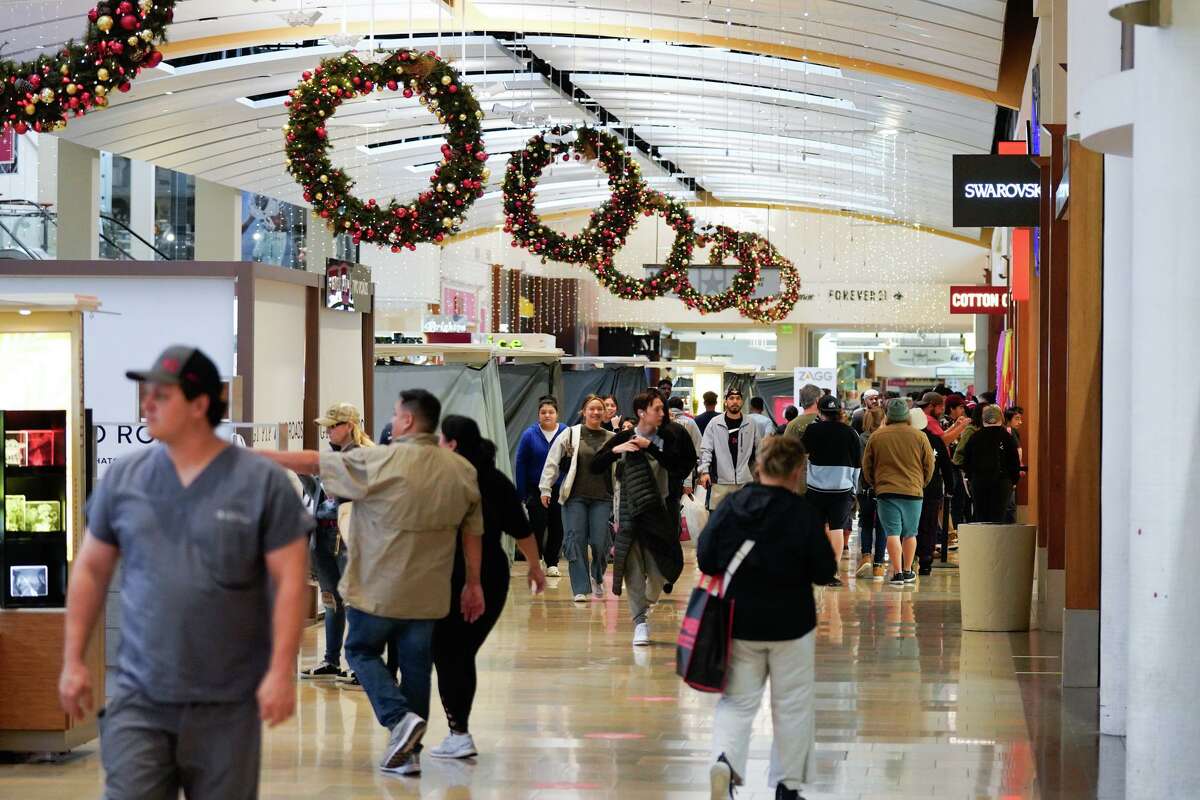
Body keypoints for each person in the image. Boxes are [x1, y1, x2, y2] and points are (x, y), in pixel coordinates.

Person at [59, 346, 313, 798]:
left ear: (199, 405)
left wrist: (280, 672)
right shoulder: (125, 478)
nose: (146, 405)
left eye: (161, 395)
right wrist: (73, 659)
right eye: (145, 394)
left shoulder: (260, 483)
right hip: (140, 698)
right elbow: (91, 570)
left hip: (227, 705)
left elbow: (290, 580)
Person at [260, 388, 485, 776]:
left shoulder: (382, 459)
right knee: (416, 668)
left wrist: (256, 454)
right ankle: (408, 755)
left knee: (360, 651)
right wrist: (474, 584)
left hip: (378, 586)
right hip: (429, 592)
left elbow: (316, 463)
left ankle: (399, 721)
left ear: (409, 421)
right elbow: (473, 532)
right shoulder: (461, 470)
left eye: (397, 415)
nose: (392, 422)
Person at [699, 435, 837, 800]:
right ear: (797, 472)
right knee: (792, 705)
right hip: (792, 623)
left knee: (738, 701)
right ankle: (788, 786)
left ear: (758, 467)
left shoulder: (732, 506)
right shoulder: (803, 513)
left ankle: (725, 764)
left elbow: (706, 558)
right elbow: (825, 570)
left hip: (739, 621)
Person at [430, 417, 546, 760]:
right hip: (494, 576)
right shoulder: (496, 479)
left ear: (451, 444)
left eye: (441, 440)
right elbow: (521, 529)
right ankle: (458, 732)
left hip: (464, 577)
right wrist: (536, 568)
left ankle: (459, 733)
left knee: (449, 653)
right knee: (458, 653)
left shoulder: (452, 481)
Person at [592, 389, 687, 646]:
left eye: (663, 408)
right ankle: (640, 622)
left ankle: (646, 603)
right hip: (629, 513)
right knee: (633, 569)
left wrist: (652, 448)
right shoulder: (624, 437)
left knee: (662, 569)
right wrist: (616, 450)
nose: (662, 413)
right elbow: (595, 465)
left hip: (661, 514)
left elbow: (679, 465)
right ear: (641, 412)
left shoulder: (670, 436)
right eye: (657, 409)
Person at [298, 402, 374, 683]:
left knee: (355, 601)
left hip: (351, 535)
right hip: (325, 533)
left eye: (334, 426)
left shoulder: (365, 457)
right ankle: (331, 659)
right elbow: (320, 497)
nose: (328, 431)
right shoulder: (330, 457)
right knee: (331, 599)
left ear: (350, 426)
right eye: (327, 427)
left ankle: (360, 663)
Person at [539, 395, 615, 602]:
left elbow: (619, 469)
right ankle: (580, 588)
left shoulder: (611, 437)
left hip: (602, 498)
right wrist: (545, 488)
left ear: (605, 413)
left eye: (600, 409)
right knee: (575, 541)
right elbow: (552, 461)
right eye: (592, 409)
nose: (596, 412)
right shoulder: (571, 433)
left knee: (600, 543)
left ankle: (597, 576)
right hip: (574, 498)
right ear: (583, 411)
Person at [861, 398, 935, 586]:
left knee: (892, 532)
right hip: (913, 490)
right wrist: (921, 483)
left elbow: (867, 466)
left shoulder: (877, 436)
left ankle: (897, 573)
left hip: (886, 491)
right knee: (911, 533)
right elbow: (929, 465)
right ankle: (909, 570)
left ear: (889, 415)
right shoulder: (919, 436)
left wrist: (875, 483)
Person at [800, 394, 862, 588]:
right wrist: (853, 487)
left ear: (820, 412)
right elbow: (858, 464)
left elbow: (802, 454)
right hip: (842, 489)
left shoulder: (812, 430)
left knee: (817, 529)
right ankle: (831, 572)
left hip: (816, 488)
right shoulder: (851, 432)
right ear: (839, 412)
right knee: (836, 528)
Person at [514, 396, 567, 578]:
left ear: (557, 414)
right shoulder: (529, 434)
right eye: (543, 412)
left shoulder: (565, 432)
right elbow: (521, 463)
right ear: (538, 415)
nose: (547, 415)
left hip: (559, 488)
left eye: (551, 412)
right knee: (537, 526)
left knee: (557, 527)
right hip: (534, 490)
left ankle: (552, 562)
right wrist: (521, 493)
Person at [698, 388, 762, 510]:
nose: (735, 401)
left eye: (738, 398)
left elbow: (759, 449)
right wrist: (705, 472)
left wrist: (761, 471)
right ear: (725, 401)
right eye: (731, 398)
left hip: (744, 481)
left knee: (744, 520)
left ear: (742, 401)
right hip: (720, 482)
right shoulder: (715, 423)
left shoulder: (751, 423)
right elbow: (706, 449)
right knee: (719, 520)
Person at [959, 405, 1022, 523]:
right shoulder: (1007, 437)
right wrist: (1014, 480)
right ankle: (996, 540)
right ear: (1001, 418)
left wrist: (971, 477)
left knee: (981, 515)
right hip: (1003, 481)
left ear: (983, 419)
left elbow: (966, 461)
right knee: (998, 515)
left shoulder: (975, 437)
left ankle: (982, 540)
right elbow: (1014, 461)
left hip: (979, 481)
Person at [914, 408, 954, 576]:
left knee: (910, 526)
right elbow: (946, 466)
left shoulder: (909, 440)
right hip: (933, 489)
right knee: (929, 525)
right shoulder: (936, 441)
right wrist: (950, 488)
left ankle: (907, 558)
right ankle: (925, 560)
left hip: (911, 489)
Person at [855, 404, 888, 581]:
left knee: (866, 521)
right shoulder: (886, 438)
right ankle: (879, 566)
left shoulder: (861, 438)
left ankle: (866, 555)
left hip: (865, 486)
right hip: (883, 485)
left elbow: (860, 463)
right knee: (882, 524)